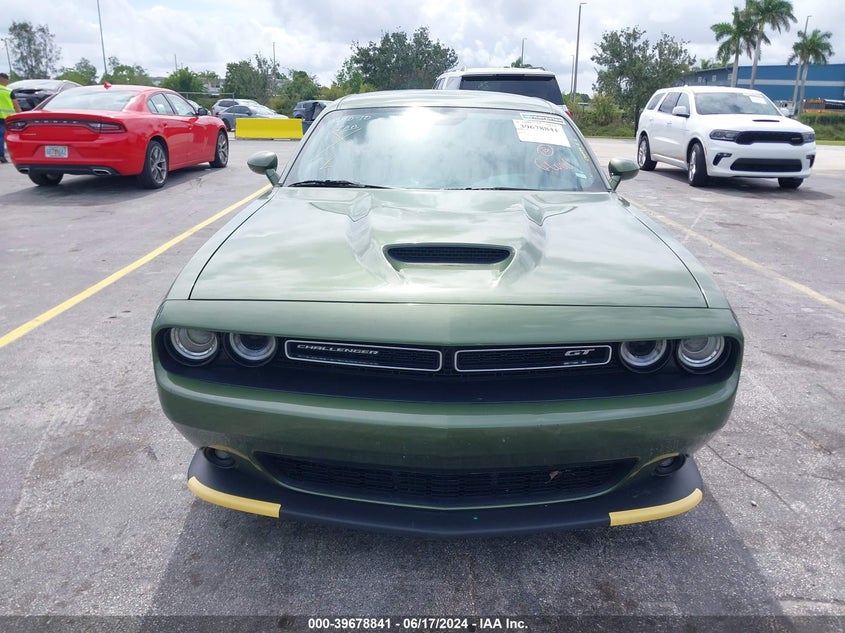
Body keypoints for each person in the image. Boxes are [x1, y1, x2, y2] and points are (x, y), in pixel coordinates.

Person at [0, 72, 22, 164]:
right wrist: (21, 116)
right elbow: (16, 106)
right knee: (2, 136)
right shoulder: (9, 91)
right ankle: (1, 156)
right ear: (5, 80)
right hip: (5, 118)